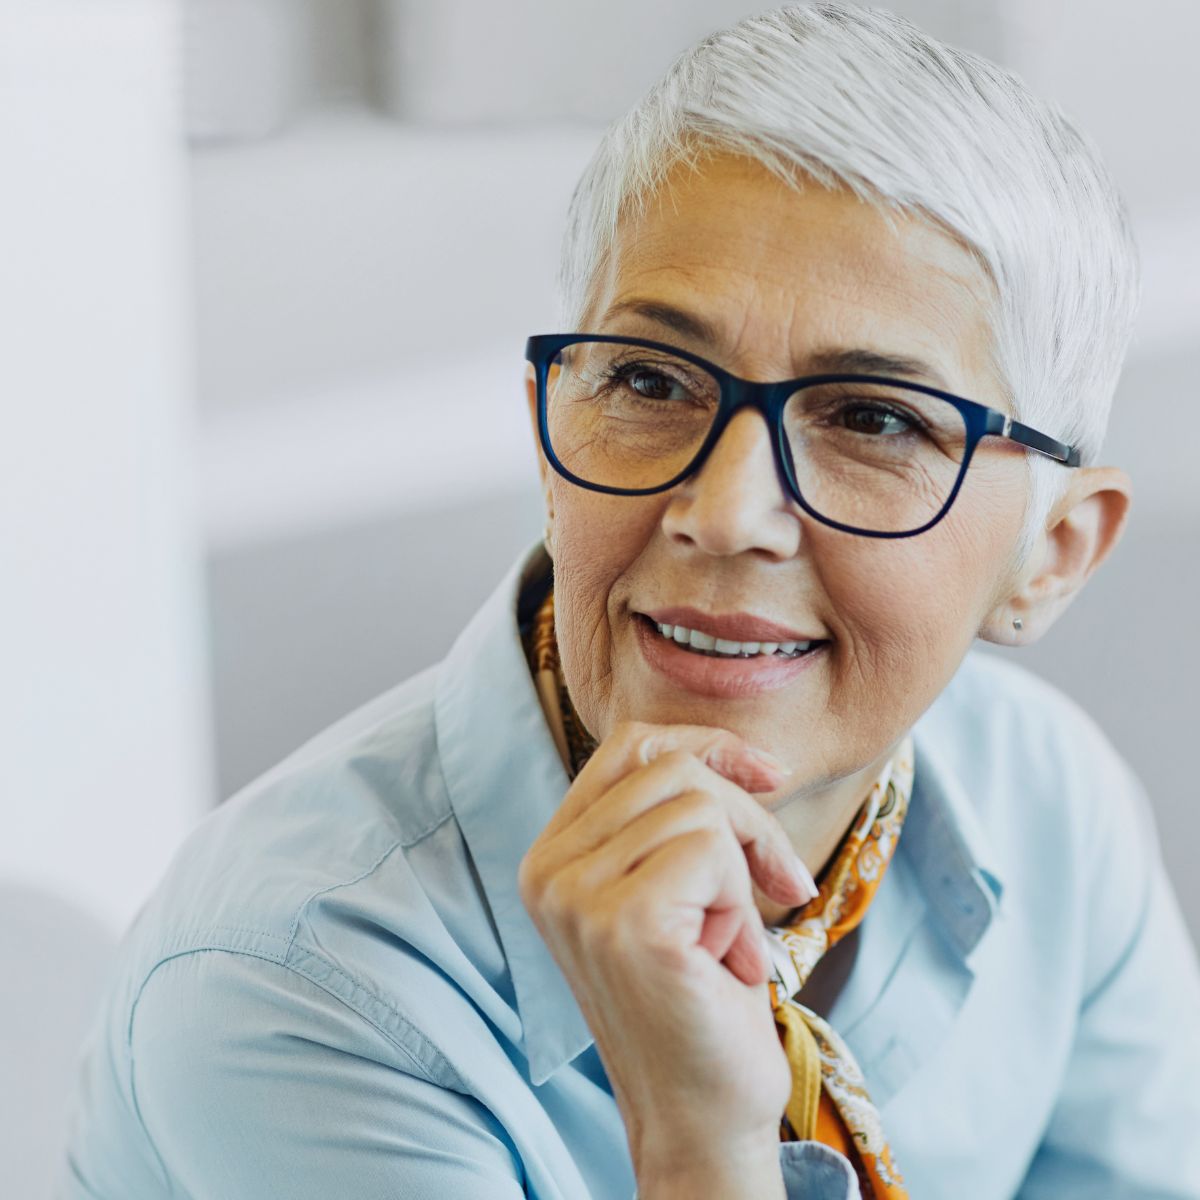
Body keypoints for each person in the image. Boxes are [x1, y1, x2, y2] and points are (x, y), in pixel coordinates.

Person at [59, 5, 1200, 1199]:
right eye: (650, 381)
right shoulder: (291, 986)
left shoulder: (1053, 804)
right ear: (547, 439)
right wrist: (700, 1139)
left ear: (1052, 556)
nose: (727, 512)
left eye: (873, 418)